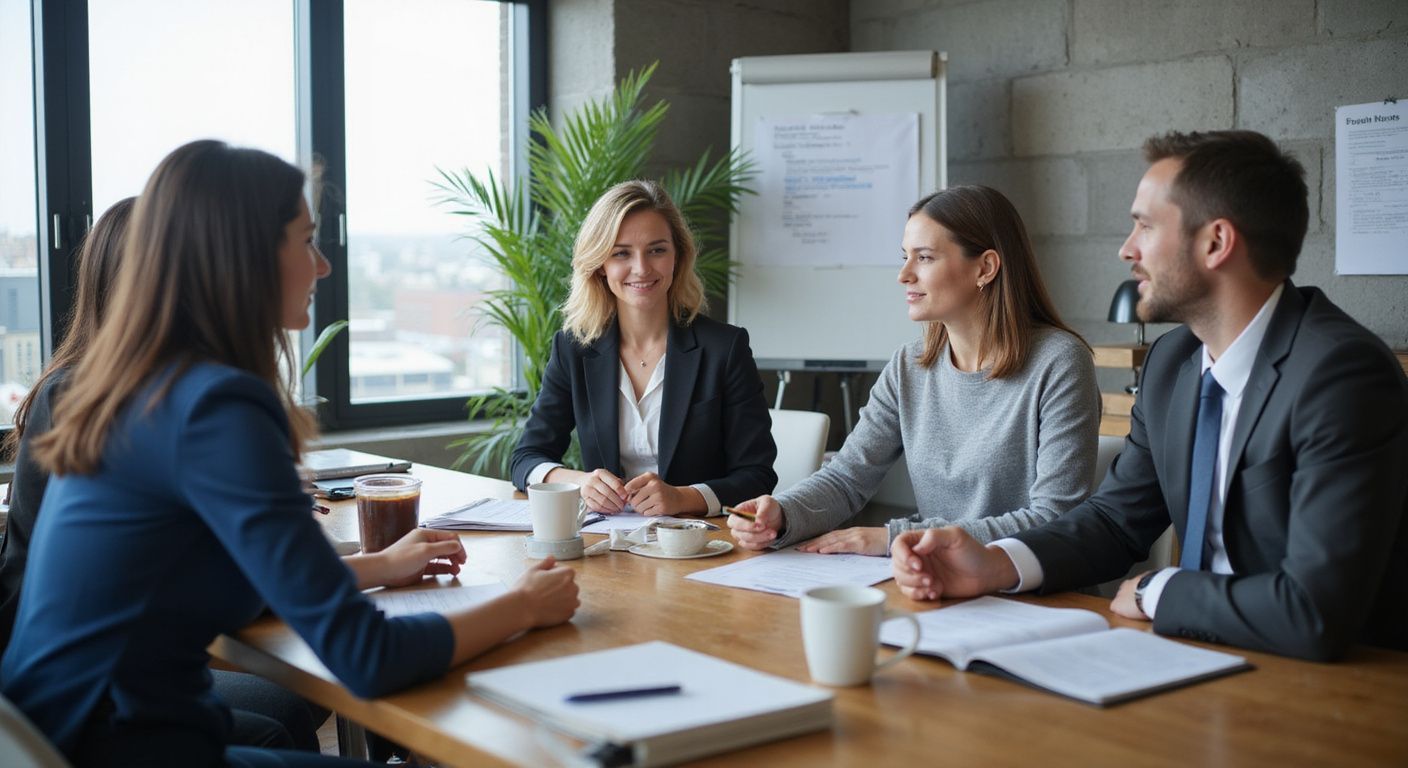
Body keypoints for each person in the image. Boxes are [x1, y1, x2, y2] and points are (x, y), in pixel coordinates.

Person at [0, 140, 579, 767]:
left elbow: (239, 583)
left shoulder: (137, 386)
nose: (324, 266)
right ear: (244, 259)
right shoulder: (214, 406)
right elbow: (366, 658)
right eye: (306, 241)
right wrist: (522, 604)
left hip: (50, 742)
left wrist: (379, 568)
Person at [891, 130, 1408, 662]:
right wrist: (993, 563)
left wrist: (1157, 590)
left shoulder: (1342, 375)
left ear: (1216, 242)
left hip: (1334, 682)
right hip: (1195, 655)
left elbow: (1314, 611)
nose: (1126, 248)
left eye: (1144, 225)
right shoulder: (1170, 364)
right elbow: (1115, 522)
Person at [0, 198, 338, 753]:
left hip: (97, 667)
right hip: (78, 686)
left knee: (299, 694)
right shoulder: (94, 399)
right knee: (285, 709)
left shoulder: (113, 389)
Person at [728, 185, 1100, 556]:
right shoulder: (910, 365)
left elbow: (1054, 517)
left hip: (1031, 595)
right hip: (934, 581)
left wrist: (896, 538)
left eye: (924, 258)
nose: (904, 275)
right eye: (905, 257)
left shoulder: (1060, 362)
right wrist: (783, 512)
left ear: (985, 267)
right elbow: (847, 478)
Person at [510, 180, 777, 517]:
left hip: (699, 544)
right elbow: (525, 458)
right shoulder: (574, 349)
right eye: (621, 253)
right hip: (610, 546)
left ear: (677, 257)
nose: (642, 268)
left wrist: (683, 497)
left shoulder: (725, 349)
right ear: (599, 264)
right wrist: (580, 482)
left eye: (657, 249)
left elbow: (758, 475)